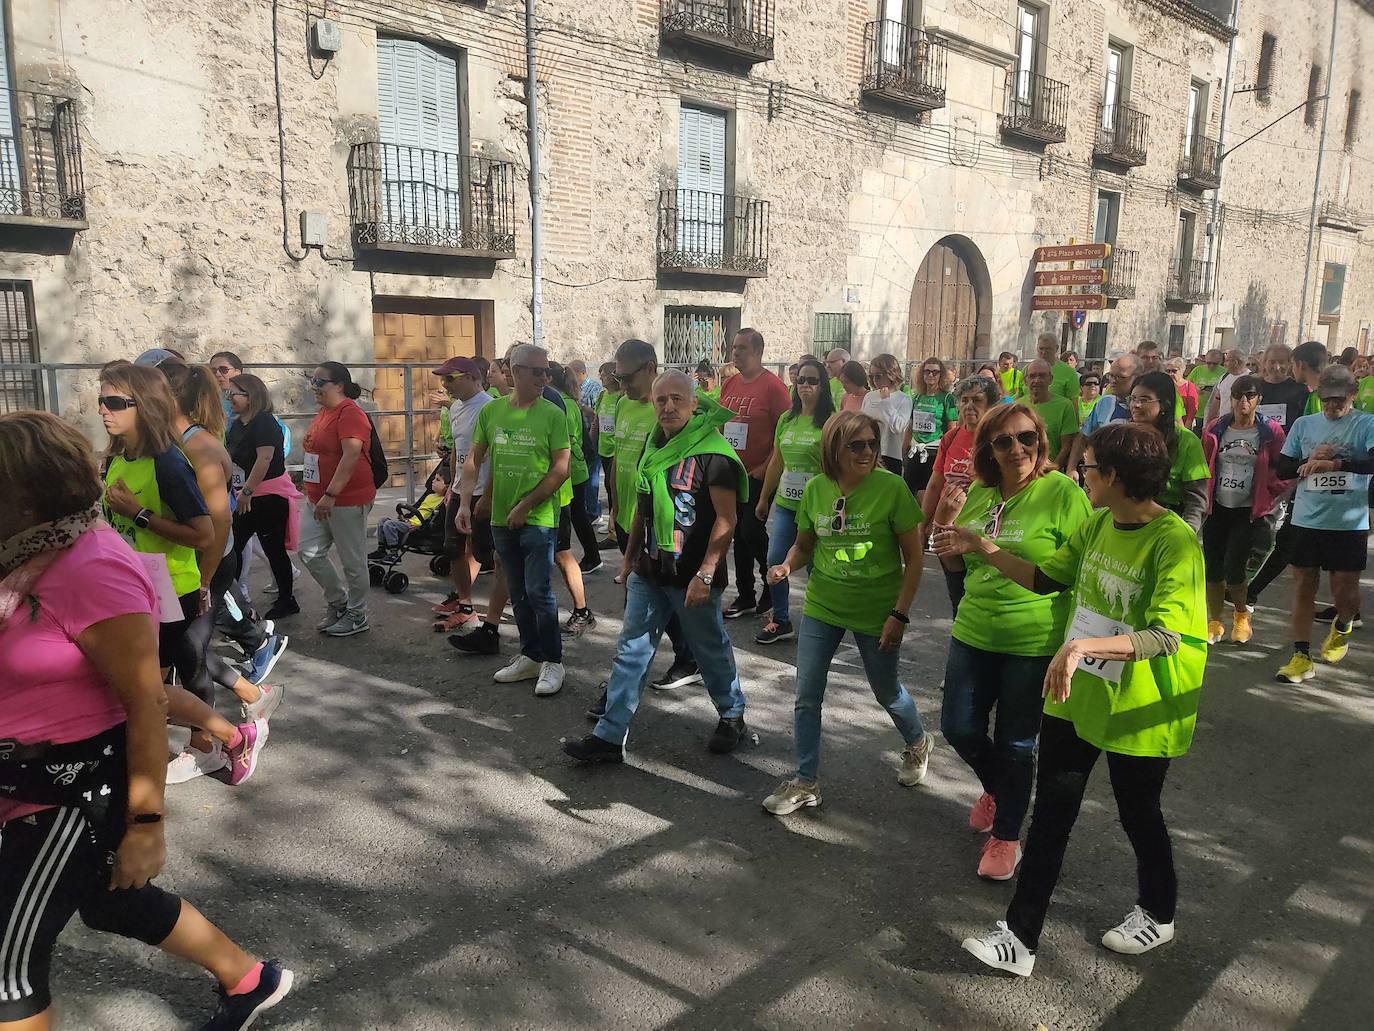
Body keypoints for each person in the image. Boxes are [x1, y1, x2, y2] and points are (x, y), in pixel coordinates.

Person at [0, 411, 294, 1031]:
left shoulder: (89, 566)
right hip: (25, 778)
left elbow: (145, 700)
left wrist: (145, 825)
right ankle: (250, 979)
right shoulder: (24, 550)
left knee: (8, 970)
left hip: (61, 793)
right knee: (112, 902)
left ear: (27, 490)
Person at [950, 422, 1207, 977]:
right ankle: (1019, 939)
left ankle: (1158, 913)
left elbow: (1167, 636)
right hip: (1079, 693)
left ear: (1113, 476)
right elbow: (1046, 579)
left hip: (1142, 709)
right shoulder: (1096, 525)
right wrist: (983, 545)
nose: (1079, 474)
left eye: (1088, 468)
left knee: (1139, 813)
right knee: (1050, 816)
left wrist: (1081, 646)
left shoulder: (1175, 541)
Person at [934, 404, 1091, 880]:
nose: (1018, 448)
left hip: (1034, 638)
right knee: (959, 728)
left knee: (1017, 742)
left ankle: (1006, 835)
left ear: (1041, 441)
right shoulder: (979, 493)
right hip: (974, 629)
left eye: (1027, 437)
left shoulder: (1063, 493)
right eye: (1004, 441)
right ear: (988, 450)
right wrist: (946, 529)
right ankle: (1000, 789)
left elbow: (1072, 575)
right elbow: (955, 569)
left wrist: (980, 545)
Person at [561, 372, 751, 761]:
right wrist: (630, 559)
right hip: (651, 570)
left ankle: (732, 714)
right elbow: (643, 510)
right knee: (631, 651)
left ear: (695, 403)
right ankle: (610, 737)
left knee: (709, 647)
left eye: (677, 399)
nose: (668, 407)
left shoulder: (715, 454)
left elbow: (726, 521)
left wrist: (706, 573)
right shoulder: (654, 443)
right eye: (661, 400)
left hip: (693, 576)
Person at [761, 411, 933, 815]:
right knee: (806, 694)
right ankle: (805, 782)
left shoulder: (892, 489)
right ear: (833, 448)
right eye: (856, 444)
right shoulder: (817, 489)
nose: (868, 451)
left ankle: (918, 741)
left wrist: (900, 614)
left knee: (886, 691)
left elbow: (914, 558)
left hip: (877, 611)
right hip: (824, 605)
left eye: (872, 443)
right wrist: (787, 566)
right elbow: (804, 545)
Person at [161, 360, 284, 768]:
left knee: (189, 651)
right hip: (179, 564)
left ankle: (206, 746)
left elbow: (218, 521)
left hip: (205, 562)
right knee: (181, 649)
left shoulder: (199, 445)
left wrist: (206, 579)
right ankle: (253, 695)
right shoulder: (171, 441)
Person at [457, 344, 571, 697]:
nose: (544, 378)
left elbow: (561, 469)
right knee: (518, 593)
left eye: (547, 372)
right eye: (537, 371)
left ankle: (554, 660)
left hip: (538, 518)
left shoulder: (553, 414)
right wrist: (469, 501)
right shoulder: (493, 413)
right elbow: (477, 459)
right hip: (501, 519)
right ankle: (530, 655)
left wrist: (525, 505)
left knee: (539, 591)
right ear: (514, 371)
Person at [603, 340, 700, 691]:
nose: (622, 385)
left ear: (650, 368)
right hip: (630, 518)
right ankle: (689, 658)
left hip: (657, 527)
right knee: (654, 603)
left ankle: (622, 686)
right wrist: (614, 507)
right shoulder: (623, 406)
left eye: (627, 377)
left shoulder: (671, 414)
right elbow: (617, 460)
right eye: (617, 377)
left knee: (642, 611)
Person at [1272, 365, 1374, 683]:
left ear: (1353, 395)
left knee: (1344, 592)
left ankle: (1343, 625)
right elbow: (1283, 469)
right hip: (1306, 519)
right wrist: (1308, 460)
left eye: (1339, 400)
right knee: (1304, 587)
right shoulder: (1304, 425)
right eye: (1327, 399)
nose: (1332, 406)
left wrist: (1337, 463)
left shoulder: (1366, 424)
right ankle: (1300, 656)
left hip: (1347, 523)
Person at [1200, 375, 1290, 644]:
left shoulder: (1270, 431)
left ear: (1258, 399)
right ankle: (1214, 621)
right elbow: (1205, 461)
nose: (1243, 401)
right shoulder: (1217, 428)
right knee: (1213, 568)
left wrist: (1271, 493)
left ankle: (1241, 615)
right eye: (1238, 395)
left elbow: (1283, 466)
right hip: (1218, 506)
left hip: (1248, 509)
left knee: (1234, 568)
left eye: (1249, 396)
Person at [755, 357, 835, 645]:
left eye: (813, 380)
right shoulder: (786, 419)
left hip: (818, 508)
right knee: (775, 559)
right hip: (787, 505)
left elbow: (836, 466)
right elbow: (777, 460)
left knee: (817, 566)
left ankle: (821, 620)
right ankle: (781, 619)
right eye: (801, 380)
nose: (805, 386)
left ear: (823, 385)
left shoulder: (829, 422)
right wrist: (765, 497)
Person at [718, 328, 792, 620]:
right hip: (732, 471)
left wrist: (765, 468)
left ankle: (772, 581)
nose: (736, 352)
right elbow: (722, 424)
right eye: (734, 347)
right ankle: (746, 594)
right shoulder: (731, 384)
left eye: (742, 348)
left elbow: (783, 434)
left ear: (758, 352)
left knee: (751, 529)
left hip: (761, 472)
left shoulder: (774, 387)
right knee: (737, 532)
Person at [299, 362, 377, 637]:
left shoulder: (350, 413)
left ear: (339, 385)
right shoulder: (325, 412)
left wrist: (331, 494)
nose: (314, 387)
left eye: (320, 382)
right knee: (308, 551)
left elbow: (351, 455)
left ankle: (357, 615)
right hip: (317, 498)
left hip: (345, 499)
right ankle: (339, 602)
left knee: (352, 560)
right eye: (313, 381)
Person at [923, 374, 999, 611]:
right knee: (957, 594)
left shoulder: (1000, 439)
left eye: (977, 400)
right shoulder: (951, 437)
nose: (969, 406)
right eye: (964, 400)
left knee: (980, 594)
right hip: (948, 526)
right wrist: (924, 524)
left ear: (990, 404)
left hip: (982, 529)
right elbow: (935, 483)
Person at [430, 356, 495, 633]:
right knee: (452, 548)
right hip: (460, 489)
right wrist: (452, 485)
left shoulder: (490, 408)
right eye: (443, 379)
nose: (445, 385)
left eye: (450, 378)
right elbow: (459, 447)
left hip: (482, 490)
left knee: (484, 551)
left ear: (470, 376)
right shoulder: (456, 407)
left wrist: (489, 494)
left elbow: (495, 454)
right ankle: (465, 606)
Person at [226, 372, 298, 619]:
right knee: (234, 547)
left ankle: (287, 599)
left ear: (250, 395)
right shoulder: (238, 423)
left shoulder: (264, 422)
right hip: (245, 494)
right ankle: (230, 600)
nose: (230, 397)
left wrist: (247, 491)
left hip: (267, 495)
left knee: (273, 549)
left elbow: (264, 459)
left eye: (234, 393)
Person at [1127, 371, 1209, 532]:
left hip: (1168, 525)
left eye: (1144, 400)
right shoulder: (1125, 436)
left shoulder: (1187, 441)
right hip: (1127, 520)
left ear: (1164, 405)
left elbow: (1196, 498)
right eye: (1133, 399)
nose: (1136, 405)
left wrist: (1186, 533)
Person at [552, 361, 599, 635]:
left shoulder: (563, 404)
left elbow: (566, 445)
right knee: (578, 519)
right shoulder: (564, 402)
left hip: (570, 476)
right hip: (569, 475)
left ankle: (592, 558)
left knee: (576, 524)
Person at [1070, 352, 1139, 474]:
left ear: (1137, 377)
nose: (1113, 381)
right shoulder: (1105, 402)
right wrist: (1071, 468)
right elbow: (1083, 437)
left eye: (1120, 377)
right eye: (1111, 376)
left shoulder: (1146, 407)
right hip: (1102, 476)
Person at [904, 356, 958, 501]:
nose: (931, 375)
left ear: (941, 375)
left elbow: (952, 428)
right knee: (909, 489)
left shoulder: (947, 398)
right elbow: (910, 425)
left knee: (926, 491)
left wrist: (949, 453)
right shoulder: (916, 397)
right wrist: (904, 448)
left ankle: (924, 521)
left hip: (935, 450)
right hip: (915, 449)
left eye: (935, 372)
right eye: (927, 372)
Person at [372, 466, 446, 561]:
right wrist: (406, 516)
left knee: (389, 525)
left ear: (447, 486)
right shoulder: (430, 496)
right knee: (383, 521)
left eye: (438, 480)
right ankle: (381, 550)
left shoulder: (443, 501)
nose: (433, 481)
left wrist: (419, 524)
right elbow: (419, 508)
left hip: (419, 526)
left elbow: (433, 518)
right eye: (434, 478)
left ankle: (394, 553)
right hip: (411, 521)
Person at [860, 353, 913, 475]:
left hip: (890, 455)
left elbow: (898, 427)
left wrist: (886, 402)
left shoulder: (904, 399)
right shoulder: (869, 396)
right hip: (868, 452)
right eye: (871, 376)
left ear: (891, 374)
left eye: (878, 376)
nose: (874, 380)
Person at [1023, 359, 1078, 469]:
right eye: (1032, 376)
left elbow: (1066, 447)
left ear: (1050, 379)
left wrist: (1052, 468)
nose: (1037, 380)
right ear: (1026, 380)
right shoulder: (1018, 406)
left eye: (1042, 376)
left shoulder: (1065, 406)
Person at [593, 361, 622, 541]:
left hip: (616, 450)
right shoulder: (603, 396)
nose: (601, 377)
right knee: (608, 488)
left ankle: (616, 528)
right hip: (603, 448)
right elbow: (597, 421)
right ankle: (612, 523)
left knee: (614, 488)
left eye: (603, 373)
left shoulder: (622, 397)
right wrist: (591, 440)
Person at [1203, 349, 1251, 424]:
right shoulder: (1224, 377)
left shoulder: (1250, 378)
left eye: (1227, 361)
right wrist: (1208, 424)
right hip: (1222, 424)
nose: (1224, 364)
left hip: (1241, 426)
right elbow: (1216, 402)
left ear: (1235, 362)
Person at [1034, 333, 1079, 404]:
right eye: (1041, 348)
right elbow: (1019, 396)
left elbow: (1073, 403)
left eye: (1048, 349)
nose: (1044, 352)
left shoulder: (1069, 373)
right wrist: (1009, 401)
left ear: (1056, 348)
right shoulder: (1027, 370)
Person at [1187, 348, 1225, 429]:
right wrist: (1195, 388)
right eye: (1208, 363)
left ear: (1221, 362)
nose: (1211, 366)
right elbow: (1187, 384)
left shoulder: (1225, 372)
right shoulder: (1198, 370)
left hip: (1215, 413)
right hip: (1198, 412)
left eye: (1215, 364)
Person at [1292, 339, 1329, 417]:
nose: (1292, 369)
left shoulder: (1320, 396)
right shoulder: (1332, 389)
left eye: (1293, 364)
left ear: (1301, 364)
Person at [1165, 358, 1199, 425]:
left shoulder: (1189, 386)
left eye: (1174, 371)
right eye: (1168, 371)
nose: (1171, 374)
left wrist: (1187, 427)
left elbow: (1192, 409)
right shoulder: (1164, 385)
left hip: (1183, 424)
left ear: (1182, 371)